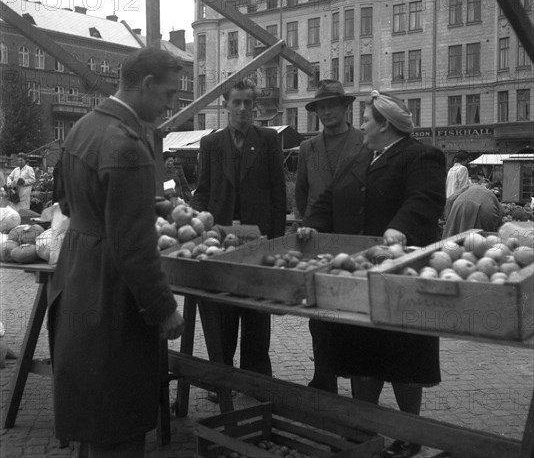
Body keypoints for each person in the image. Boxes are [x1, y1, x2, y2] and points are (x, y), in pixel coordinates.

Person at [48, 47, 185, 458]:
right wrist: (163, 309)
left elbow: (70, 204)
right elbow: (135, 248)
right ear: (146, 85)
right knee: (119, 419)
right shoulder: (127, 145)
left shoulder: (84, 127)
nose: (169, 105)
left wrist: (144, 204)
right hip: (112, 291)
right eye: (168, 94)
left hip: (77, 276)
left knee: (93, 414)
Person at [304, 90, 446, 458]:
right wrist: (312, 227)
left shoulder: (421, 155)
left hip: (403, 275)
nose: (362, 126)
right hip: (358, 273)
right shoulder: (361, 155)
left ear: (384, 124)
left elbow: (424, 200)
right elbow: (329, 199)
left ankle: (409, 435)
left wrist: (399, 228)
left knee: (403, 356)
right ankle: (363, 429)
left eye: (367, 120)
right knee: (359, 352)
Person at [190, 78, 286, 389]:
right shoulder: (212, 144)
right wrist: (195, 221)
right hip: (221, 239)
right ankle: (222, 379)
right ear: (226, 105)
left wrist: (275, 241)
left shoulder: (269, 139)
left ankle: (257, 380)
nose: (243, 108)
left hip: (258, 239)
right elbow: (202, 190)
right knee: (222, 310)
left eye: (248, 103)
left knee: (257, 311)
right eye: (237, 102)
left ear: (254, 106)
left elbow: (277, 193)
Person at [295, 79, 363, 393]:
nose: (326, 112)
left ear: (345, 107)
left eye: (332, 105)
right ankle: (324, 375)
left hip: (353, 237)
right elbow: (302, 192)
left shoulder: (364, 142)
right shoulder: (308, 147)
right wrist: (308, 224)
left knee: (352, 309)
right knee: (319, 310)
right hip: (318, 238)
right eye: (321, 107)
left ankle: (355, 374)